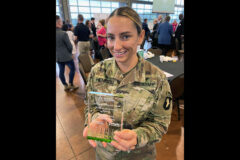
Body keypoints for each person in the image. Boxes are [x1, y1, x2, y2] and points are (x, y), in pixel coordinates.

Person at [82, 7, 173, 160]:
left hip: (140, 156)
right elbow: (90, 107)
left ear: (140, 36)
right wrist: (93, 119)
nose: (116, 46)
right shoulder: (97, 72)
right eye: (111, 37)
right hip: (105, 154)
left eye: (125, 36)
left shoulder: (157, 79)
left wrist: (138, 137)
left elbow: (160, 123)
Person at [56, 15, 79, 91]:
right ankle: (71, 84)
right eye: (61, 21)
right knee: (72, 69)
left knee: (61, 71)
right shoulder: (63, 33)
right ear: (58, 23)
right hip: (67, 56)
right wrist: (69, 53)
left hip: (58, 57)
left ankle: (65, 85)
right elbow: (70, 46)